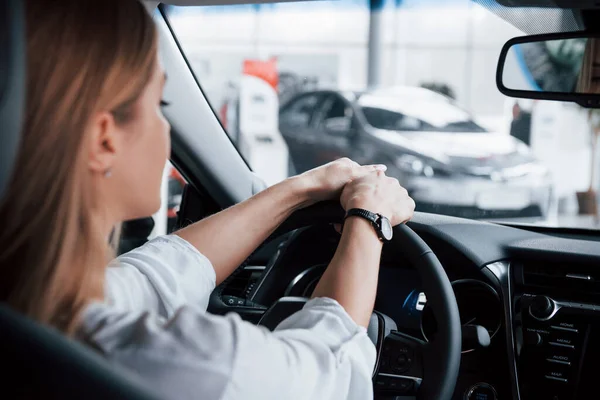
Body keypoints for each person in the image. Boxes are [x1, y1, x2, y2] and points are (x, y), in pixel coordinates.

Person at [0, 1, 415, 400]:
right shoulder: (194, 367)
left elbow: (153, 276)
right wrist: (369, 216)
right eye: (159, 105)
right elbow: (325, 370)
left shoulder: (32, 310)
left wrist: (301, 188)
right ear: (105, 139)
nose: (166, 130)